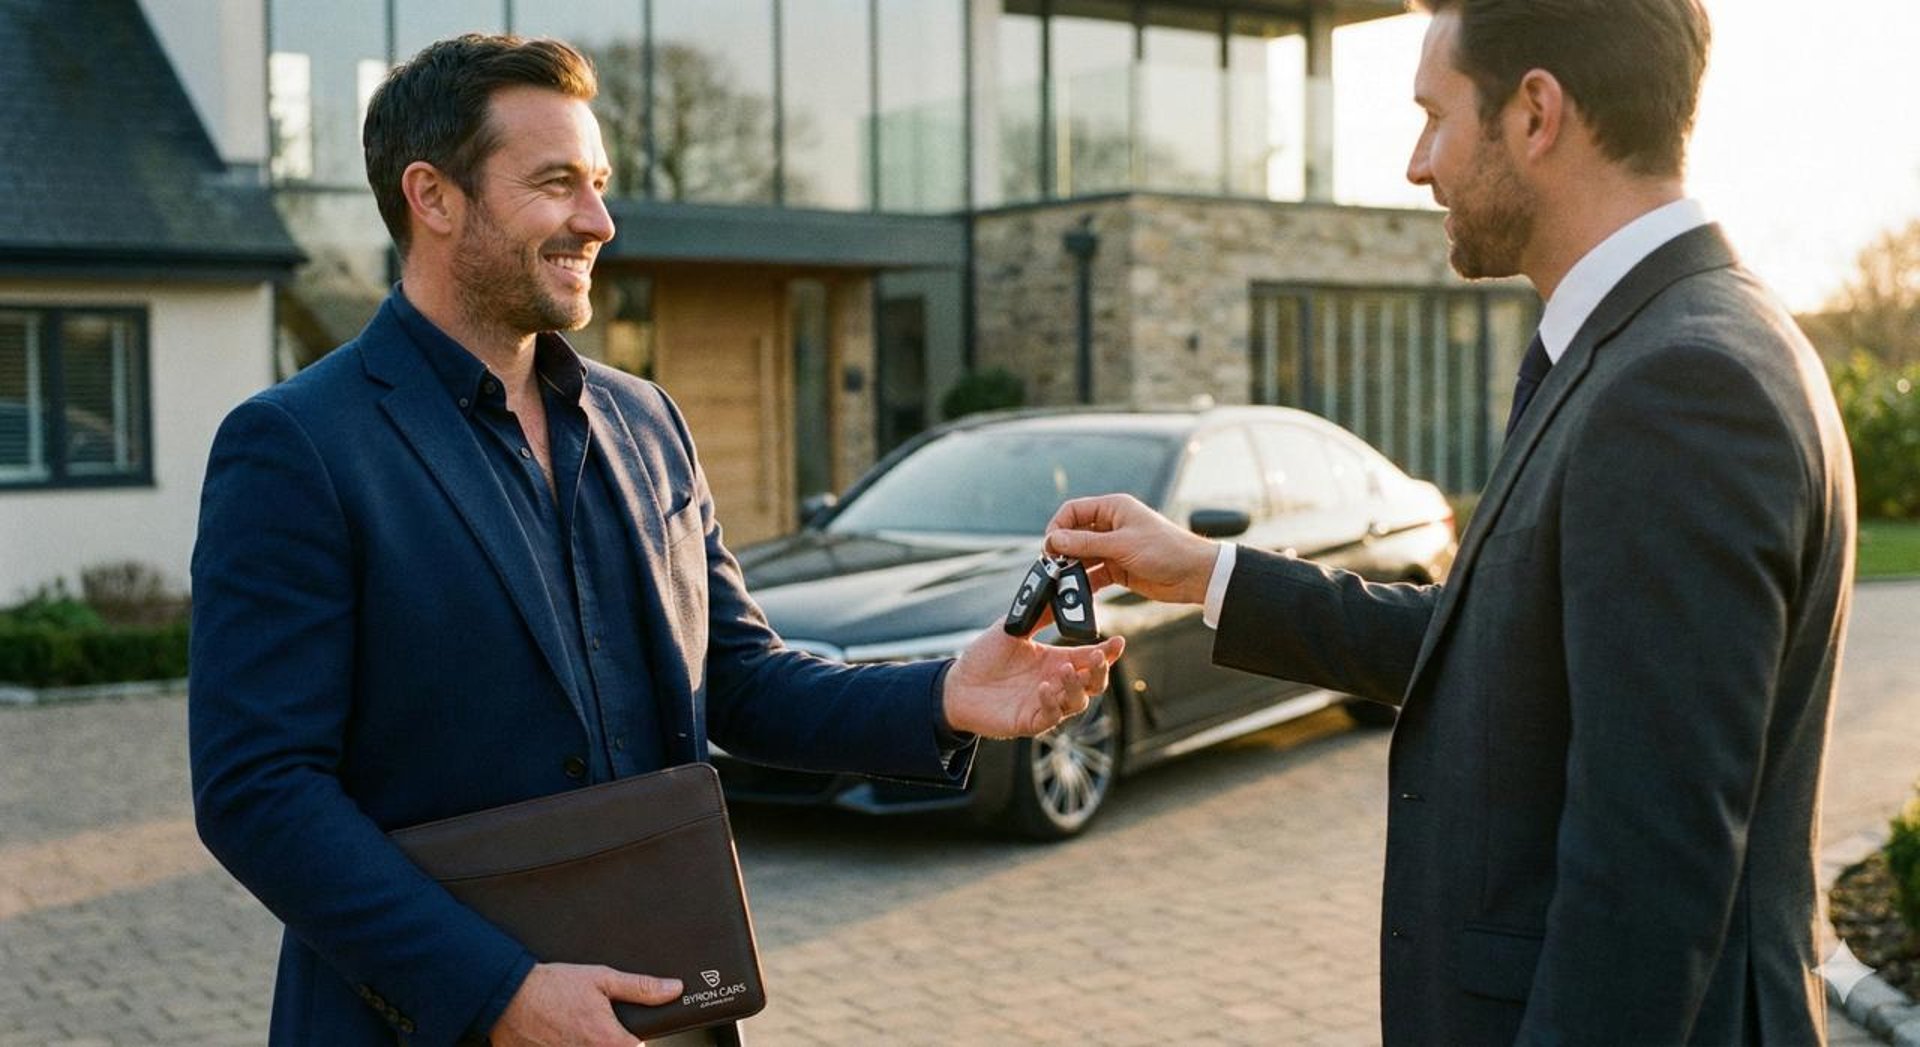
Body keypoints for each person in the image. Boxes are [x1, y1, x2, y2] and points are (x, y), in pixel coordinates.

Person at [188, 34, 1121, 1047]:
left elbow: (742, 680)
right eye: (556, 185)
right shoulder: (297, 445)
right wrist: (497, 993)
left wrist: (947, 692)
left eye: (598, 184)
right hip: (428, 1025)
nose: (599, 221)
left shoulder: (646, 421)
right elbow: (260, 793)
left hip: (671, 1011)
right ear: (434, 195)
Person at [1046, 1, 1854, 1043]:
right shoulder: (1663, 342)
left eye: (1434, 116)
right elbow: (1502, 647)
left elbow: (1647, 879)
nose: (1417, 165)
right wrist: (1208, 572)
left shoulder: (1681, 387)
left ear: (1535, 114)